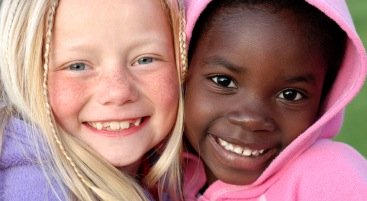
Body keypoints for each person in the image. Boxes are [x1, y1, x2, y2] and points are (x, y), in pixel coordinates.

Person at [0, 0, 186, 200]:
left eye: (145, 60)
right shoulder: (43, 192)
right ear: (23, 77)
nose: (118, 93)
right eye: (77, 66)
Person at [182, 0, 367, 200]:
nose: (251, 119)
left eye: (290, 95)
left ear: (325, 100)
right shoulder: (161, 175)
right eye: (224, 81)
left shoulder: (329, 175)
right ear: (183, 68)